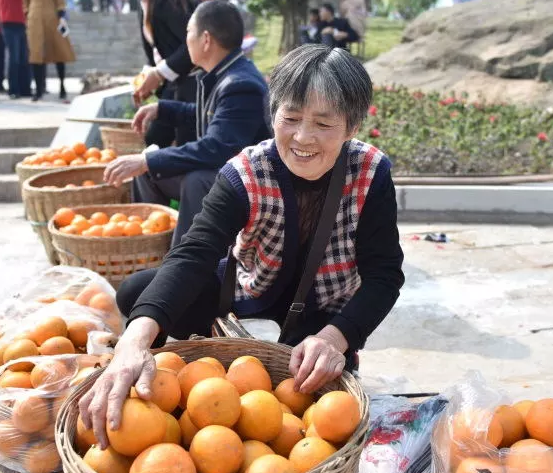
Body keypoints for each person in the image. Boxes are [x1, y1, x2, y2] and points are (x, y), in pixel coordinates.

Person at [79, 45, 405, 446]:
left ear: (352, 127)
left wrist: (337, 336)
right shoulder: (246, 172)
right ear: (273, 116)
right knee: (138, 294)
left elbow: (384, 275)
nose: (303, 138)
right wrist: (133, 341)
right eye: (291, 118)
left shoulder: (370, 173)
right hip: (250, 293)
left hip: (322, 313)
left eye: (323, 124)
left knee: (312, 393)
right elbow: (195, 251)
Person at [105, 0, 270, 246]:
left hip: (253, 187)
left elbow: (217, 147)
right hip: (229, 173)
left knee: (197, 179)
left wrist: (147, 160)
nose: (186, 42)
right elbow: (211, 116)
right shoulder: (226, 73)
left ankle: (186, 264)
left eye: (188, 33)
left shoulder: (239, 84)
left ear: (205, 40)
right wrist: (163, 109)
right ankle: (147, 247)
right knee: (148, 173)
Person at [105, 0, 200, 148]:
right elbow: (158, 50)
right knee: (156, 142)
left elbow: (194, 47)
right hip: (177, 86)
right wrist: (149, 77)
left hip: (194, 87)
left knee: (162, 144)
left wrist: (159, 74)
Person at [24, 0, 75, 102]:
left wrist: (61, 16)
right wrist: (27, 15)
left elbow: (60, 0)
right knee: (36, 55)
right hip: (34, 19)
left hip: (52, 18)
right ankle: (38, 90)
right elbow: (25, 2)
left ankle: (62, 86)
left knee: (59, 51)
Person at [0, 0, 32, 98]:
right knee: (14, 58)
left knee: (23, 58)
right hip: (9, 25)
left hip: (21, 24)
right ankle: (13, 89)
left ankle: (25, 89)